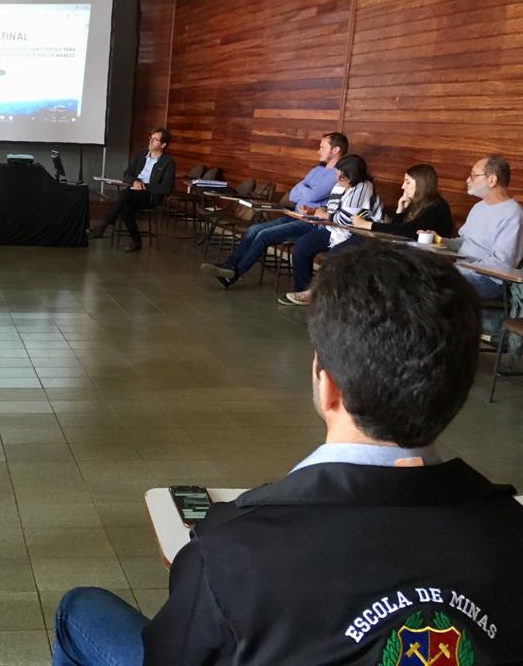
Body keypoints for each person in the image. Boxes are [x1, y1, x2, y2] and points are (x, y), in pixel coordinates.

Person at [52, 243, 523, 665]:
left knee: (80, 609)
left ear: (327, 385)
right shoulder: (509, 527)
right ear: (460, 387)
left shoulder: (230, 546)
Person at [201, 132, 345, 286]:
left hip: (310, 222)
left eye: (322, 147)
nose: (318, 151)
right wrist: (306, 190)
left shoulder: (336, 174)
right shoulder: (316, 170)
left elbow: (313, 196)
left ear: (335, 150)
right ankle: (229, 265)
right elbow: (294, 195)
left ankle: (232, 275)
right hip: (293, 214)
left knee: (264, 235)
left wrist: (305, 188)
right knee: (254, 229)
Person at [280, 153, 383, 306]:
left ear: (351, 176)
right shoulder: (340, 185)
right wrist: (313, 210)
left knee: (335, 255)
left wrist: (324, 215)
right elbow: (331, 209)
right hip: (337, 230)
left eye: (340, 176)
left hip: (362, 233)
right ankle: (303, 289)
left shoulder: (363, 187)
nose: (336, 179)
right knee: (303, 245)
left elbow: (346, 219)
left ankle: (316, 293)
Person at [439, 155, 523, 300]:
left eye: (473, 175)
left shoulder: (513, 214)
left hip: (490, 280)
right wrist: (438, 240)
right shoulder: (478, 207)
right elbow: (464, 242)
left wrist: (461, 268)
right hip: (464, 271)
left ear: (492, 180)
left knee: (435, 284)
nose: (467, 180)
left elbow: (502, 263)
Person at [89, 128, 177, 252]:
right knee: (125, 208)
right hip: (133, 193)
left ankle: (102, 226)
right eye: (150, 138)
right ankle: (136, 241)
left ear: (163, 145)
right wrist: (134, 181)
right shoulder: (141, 155)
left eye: (155, 139)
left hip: (150, 196)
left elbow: (167, 187)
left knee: (125, 194)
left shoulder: (168, 162)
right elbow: (127, 174)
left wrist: (144, 186)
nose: (151, 141)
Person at [351, 163, 454, 239]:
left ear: (421, 185)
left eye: (407, 182)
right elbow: (395, 232)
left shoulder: (438, 207)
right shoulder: (414, 203)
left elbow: (407, 232)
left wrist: (366, 224)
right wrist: (400, 211)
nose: (402, 187)